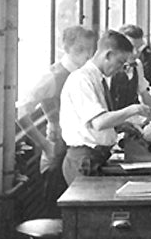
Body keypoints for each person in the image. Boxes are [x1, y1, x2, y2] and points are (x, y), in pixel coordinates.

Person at [16, 25, 97, 213]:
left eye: (90, 50)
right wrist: (45, 144)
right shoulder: (52, 77)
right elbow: (20, 112)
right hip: (58, 152)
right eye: (80, 49)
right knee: (57, 210)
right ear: (66, 48)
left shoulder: (85, 73)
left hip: (78, 150)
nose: (86, 55)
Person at [60, 31, 151, 185]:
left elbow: (97, 124)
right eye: (119, 62)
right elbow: (99, 123)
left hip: (95, 157)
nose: (120, 68)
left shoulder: (98, 79)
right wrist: (134, 109)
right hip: (84, 161)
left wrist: (123, 126)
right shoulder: (81, 80)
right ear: (108, 55)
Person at [108, 24, 151, 110]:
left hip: (134, 119)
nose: (136, 53)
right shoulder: (108, 71)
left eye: (139, 48)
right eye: (130, 48)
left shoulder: (137, 65)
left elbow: (144, 95)